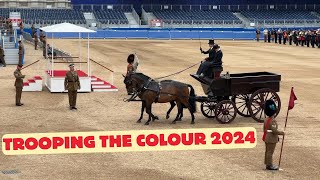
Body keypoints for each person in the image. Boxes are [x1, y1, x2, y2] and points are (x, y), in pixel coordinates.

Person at [262, 99, 285, 171]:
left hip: (266, 137)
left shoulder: (266, 119)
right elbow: (274, 131)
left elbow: (264, 128)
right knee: (270, 152)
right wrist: (282, 133)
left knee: (267, 151)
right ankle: (270, 165)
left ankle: (267, 164)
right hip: (271, 138)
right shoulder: (273, 121)